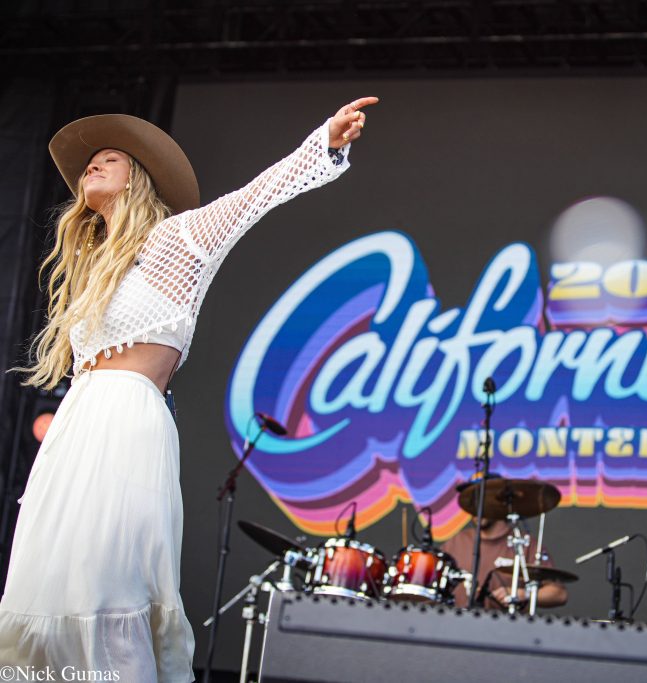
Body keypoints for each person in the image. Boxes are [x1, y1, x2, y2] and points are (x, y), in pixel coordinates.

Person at [0, 96, 378, 680]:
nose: (92, 166)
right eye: (91, 163)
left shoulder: (180, 240)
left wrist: (324, 142)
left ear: (137, 179)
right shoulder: (97, 266)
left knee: (105, 582)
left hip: (127, 421)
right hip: (76, 428)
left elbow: (254, 197)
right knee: (49, 581)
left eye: (109, 159)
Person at [442, 516, 568, 611]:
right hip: (457, 629)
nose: (476, 509)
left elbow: (559, 594)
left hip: (506, 631)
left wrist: (523, 594)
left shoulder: (524, 544)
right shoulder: (456, 542)